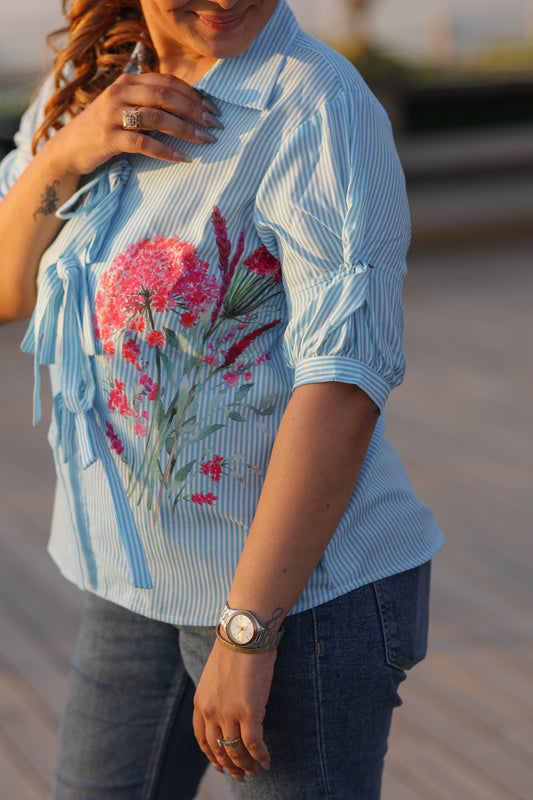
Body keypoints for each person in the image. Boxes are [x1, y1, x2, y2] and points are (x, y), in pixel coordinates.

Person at [0, 1, 444, 797]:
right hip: (137, 582)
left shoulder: (319, 107)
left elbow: (343, 384)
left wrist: (248, 633)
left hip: (297, 602)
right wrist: (65, 152)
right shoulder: (94, 84)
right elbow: (7, 289)